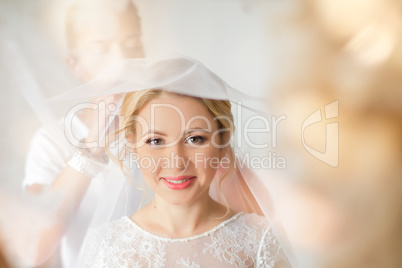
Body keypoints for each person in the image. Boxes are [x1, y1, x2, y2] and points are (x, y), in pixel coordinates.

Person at [53, 56, 292, 267]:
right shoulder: (106, 245)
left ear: (223, 140)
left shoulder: (260, 240)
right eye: (155, 141)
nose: (177, 163)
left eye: (195, 138)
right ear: (133, 145)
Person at [22, 0, 144, 266]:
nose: (122, 61)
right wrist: (93, 143)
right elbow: (34, 248)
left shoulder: (172, 126)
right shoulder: (51, 141)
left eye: (133, 44)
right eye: (101, 48)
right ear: (74, 64)